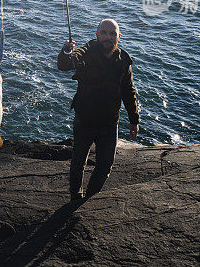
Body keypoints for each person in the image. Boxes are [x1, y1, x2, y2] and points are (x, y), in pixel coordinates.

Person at [57, 18, 139, 201]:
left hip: (110, 123)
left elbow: (128, 91)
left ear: (119, 36)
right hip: (85, 119)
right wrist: (66, 50)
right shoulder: (86, 52)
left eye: (112, 34)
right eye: (104, 33)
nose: (108, 37)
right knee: (78, 163)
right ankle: (75, 197)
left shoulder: (123, 60)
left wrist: (134, 120)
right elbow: (64, 65)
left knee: (105, 166)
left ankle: (90, 198)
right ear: (96, 34)